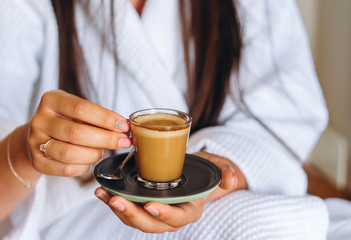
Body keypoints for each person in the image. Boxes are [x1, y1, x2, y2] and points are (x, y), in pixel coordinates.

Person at [1, 0, 347, 239]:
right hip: (70, 218)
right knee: (258, 225)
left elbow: (283, 117)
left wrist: (209, 176)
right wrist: (21, 150)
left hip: (224, 199)